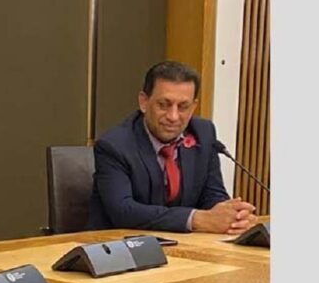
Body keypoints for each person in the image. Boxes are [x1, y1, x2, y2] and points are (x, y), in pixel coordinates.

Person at [88, 61, 258, 234]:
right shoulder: (114, 145)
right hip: (122, 244)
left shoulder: (204, 133)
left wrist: (232, 216)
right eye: (164, 105)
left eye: (183, 107)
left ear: (193, 107)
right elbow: (123, 211)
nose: (173, 116)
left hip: (184, 244)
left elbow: (212, 195)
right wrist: (194, 219)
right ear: (144, 102)